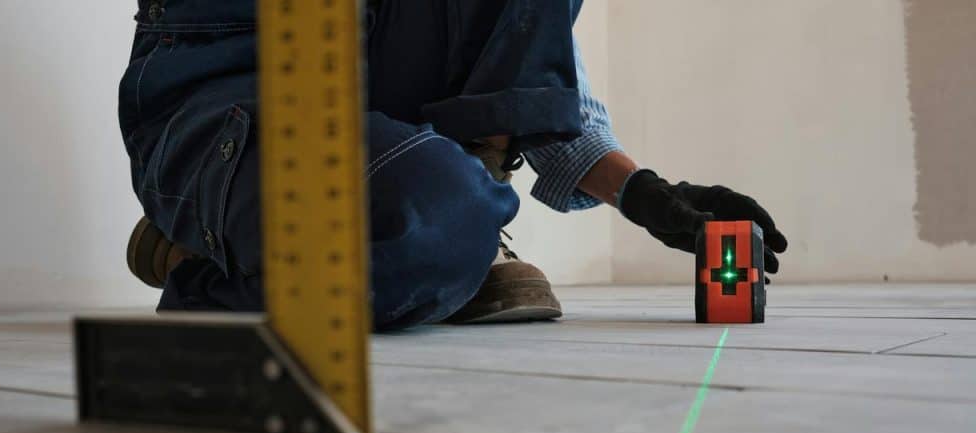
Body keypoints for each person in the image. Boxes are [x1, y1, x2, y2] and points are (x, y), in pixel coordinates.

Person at [121, 0, 788, 331]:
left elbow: (514, 48)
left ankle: (465, 212)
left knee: (447, 221)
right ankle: (201, 268)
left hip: (366, 110)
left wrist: (645, 193)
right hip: (235, 96)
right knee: (424, 244)